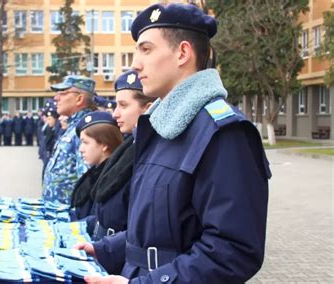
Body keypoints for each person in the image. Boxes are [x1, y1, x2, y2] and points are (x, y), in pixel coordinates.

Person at [77, 3, 271, 283]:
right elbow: (156, 229)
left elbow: (234, 250)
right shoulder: (160, 126)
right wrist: (103, 250)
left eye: (146, 49)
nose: (135, 63)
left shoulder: (224, 133)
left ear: (182, 53)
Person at [88, 70, 155, 244]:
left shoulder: (150, 151)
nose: (115, 114)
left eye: (123, 105)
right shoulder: (130, 145)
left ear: (147, 109)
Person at [42, 75, 96, 204]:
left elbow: (86, 180)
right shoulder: (73, 126)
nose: (56, 98)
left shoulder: (86, 129)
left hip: (68, 216)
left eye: (63, 93)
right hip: (57, 213)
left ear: (79, 99)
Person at [70, 111, 123, 221]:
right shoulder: (95, 172)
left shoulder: (112, 179)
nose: (81, 149)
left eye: (85, 142)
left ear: (104, 144)